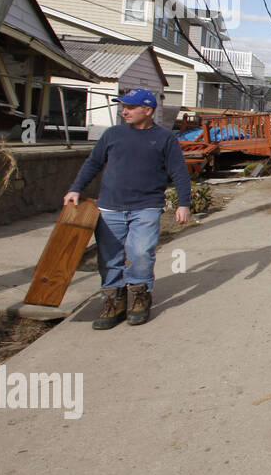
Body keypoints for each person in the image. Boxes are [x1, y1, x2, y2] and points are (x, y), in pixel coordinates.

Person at [64, 88, 192, 329]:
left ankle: (141, 296)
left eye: (130, 107)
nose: (124, 111)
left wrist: (183, 203)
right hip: (110, 208)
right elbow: (93, 163)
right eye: (123, 106)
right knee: (109, 258)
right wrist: (75, 188)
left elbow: (179, 172)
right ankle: (115, 300)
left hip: (146, 207)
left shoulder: (165, 138)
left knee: (141, 253)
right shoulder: (113, 134)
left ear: (148, 110)